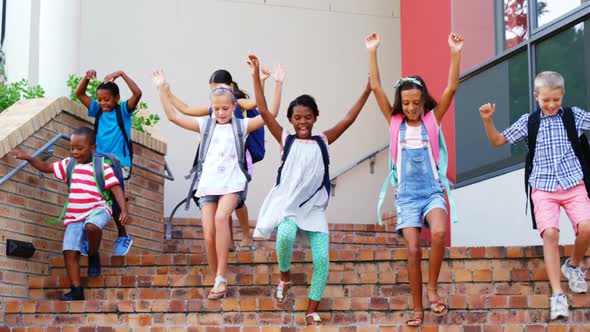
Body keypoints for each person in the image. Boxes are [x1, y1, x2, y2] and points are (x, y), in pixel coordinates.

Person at [248, 54, 371, 325]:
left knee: (323, 259)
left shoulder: (323, 140)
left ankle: (311, 309)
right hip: (289, 206)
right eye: (297, 118)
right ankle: (284, 276)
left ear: (316, 117)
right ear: (291, 120)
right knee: (284, 235)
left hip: (314, 210)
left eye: (308, 117)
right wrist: (256, 76)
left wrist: (367, 90)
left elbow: (349, 119)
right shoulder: (287, 139)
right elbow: (265, 111)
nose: (302, 122)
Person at [152, 66, 284, 299]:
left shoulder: (241, 126)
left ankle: (222, 276)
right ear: (211, 109)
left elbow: (269, 113)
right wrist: (162, 89)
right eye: (216, 109)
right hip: (207, 186)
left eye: (225, 108)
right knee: (208, 234)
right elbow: (174, 116)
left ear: (234, 107)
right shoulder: (206, 125)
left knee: (222, 217)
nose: (221, 113)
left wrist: (277, 85)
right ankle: (217, 280)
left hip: (232, 185)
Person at [366, 31, 463, 326]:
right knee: (411, 249)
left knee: (437, 233)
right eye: (406, 103)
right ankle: (418, 308)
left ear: (424, 102)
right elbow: (376, 87)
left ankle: (433, 289)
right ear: (401, 103)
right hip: (406, 196)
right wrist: (372, 51)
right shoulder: (394, 122)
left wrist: (455, 52)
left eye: (416, 103)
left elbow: (451, 89)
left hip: (432, 190)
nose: (410, 108)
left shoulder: (432, 120)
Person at [479, 71, 590, 320]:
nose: (551, 105)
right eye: (546, 100)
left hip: (573, 183)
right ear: (536, 96)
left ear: (562, 96)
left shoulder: (574, 116)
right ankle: (558, 295)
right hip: (543, 187)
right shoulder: (529, 122)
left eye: (556, 100)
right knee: (550, 233)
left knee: (586, 227)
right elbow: (498, 140)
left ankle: (572, 266)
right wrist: (488, 120)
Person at [11, 127, 129, 300]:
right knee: (69, 250)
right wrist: (28, 157)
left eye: (79, 148)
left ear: (92, 148)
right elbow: (45, 167)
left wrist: (124, 210)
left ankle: (93, 254)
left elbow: (116, 188)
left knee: (92, 227)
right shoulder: (69, 164)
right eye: (72, 148)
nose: (74, 152)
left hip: (98, 209)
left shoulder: (102, 167)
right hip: (74, 215)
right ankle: (76, 290)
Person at [165, 68, 272, 252]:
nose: (216, 93)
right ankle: (228, 241)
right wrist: (167, 92)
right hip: (219, 162)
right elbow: (186, 109)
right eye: (212, 89)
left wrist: (260, 81)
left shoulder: (238, 103)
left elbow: (257, 102)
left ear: (231, 87)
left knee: (237, 201)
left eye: (220, 87)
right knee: (222, 199)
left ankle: (246, 236)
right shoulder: (213, 108)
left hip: (239, 158)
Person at [74, 69, 142, 256]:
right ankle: (91, 237)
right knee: (95, 198)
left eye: (107, 99)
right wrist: (86, 78)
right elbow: (79, 94)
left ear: (117, 98)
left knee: (112, 198)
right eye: (100, 99)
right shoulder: (98, 111)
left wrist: (121, 74)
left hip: (119, 164)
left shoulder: (123, 111)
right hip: (99, 163)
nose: (103, 103)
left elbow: (137, 93)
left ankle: (123, 235)